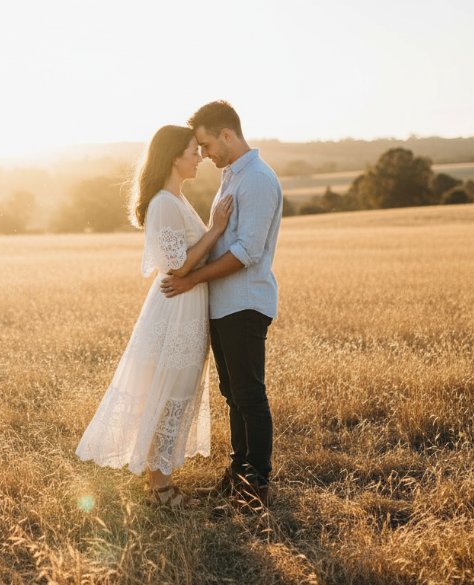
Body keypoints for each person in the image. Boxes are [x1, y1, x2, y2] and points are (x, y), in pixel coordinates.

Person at [76, 124, 233, 510]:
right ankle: (161, 489)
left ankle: (158, 480)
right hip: (175, 308)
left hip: (188, 305)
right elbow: (176, 265)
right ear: (173, 157)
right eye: (193, 151)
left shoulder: (177, 199)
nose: (199, 157)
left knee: (175, 387)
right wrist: (215, 232)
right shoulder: (164, 201)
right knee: (169, 388)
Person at [161, 101, 283, 509]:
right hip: (223, 305)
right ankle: (238, 475)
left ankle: (257, 486)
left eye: (207, 144)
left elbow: (247, 251)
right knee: (233, 393)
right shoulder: (232, 177)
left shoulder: (258, 181)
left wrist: (192, 278)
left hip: (245, 303)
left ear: (227, 135)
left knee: (250, 394)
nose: (205, 154)